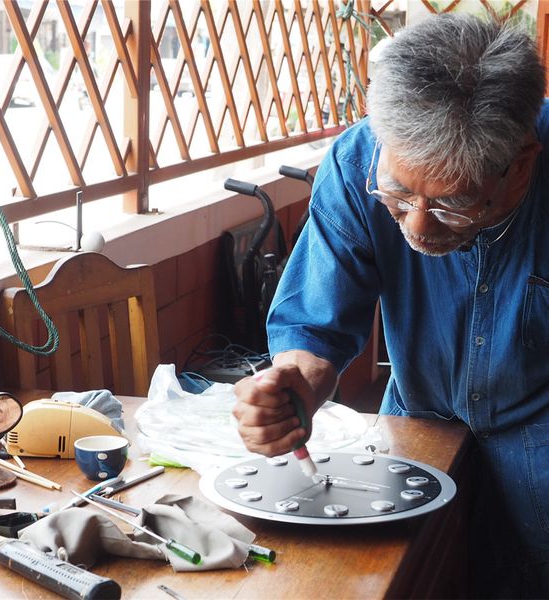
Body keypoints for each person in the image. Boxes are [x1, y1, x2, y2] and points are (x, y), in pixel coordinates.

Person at [233, 13, 549, 597]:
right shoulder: (357, 163)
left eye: (454, 204)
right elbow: (315, 328)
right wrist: (295, 388)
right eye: (399, 195)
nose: (419, 228)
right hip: (417, 429)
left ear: (522, 164)